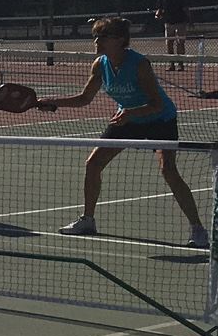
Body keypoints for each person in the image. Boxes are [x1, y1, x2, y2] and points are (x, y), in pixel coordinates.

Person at [38, 16, 208, 248]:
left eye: (102, 37)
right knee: (93, 163)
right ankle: (87, 220)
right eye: (95, 36)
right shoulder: (100, 64)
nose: (96, 41)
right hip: (126, 119)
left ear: (119, 40)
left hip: (159, 119)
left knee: (168, 170)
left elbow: (157, 103)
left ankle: (198, 229)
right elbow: (84, 98)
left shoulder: (139, 64)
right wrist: (52, 101)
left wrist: (130, 113)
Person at [154, 0, 191, 73]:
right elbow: (159, 10)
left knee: (180, 43)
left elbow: (185, 9)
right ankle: (171, 64)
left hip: (180, 23)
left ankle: (181, 64)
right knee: (169, 43)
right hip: (168, 23)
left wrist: (189, 20)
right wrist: (157, 15)